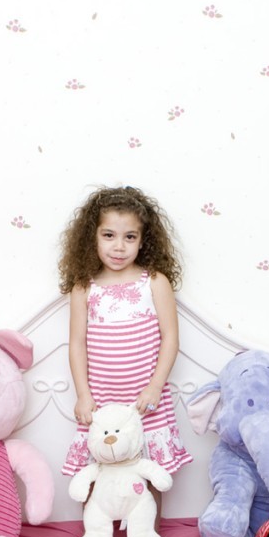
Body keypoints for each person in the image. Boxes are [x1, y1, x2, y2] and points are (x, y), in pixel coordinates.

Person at [58, 185, 192, 519]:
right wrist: (83, 395)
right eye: (109, 235)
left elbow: (170, 339)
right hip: (101, 400)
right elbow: (77, 343)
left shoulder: (154, 281)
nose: (119, 246)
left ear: (143, 240)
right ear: (92, 237)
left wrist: (155, 387)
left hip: (144, 400)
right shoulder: (84, 287)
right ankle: (96, 532)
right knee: (95, 470)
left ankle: (148, 536)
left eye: (130, 237)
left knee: (150, 473)